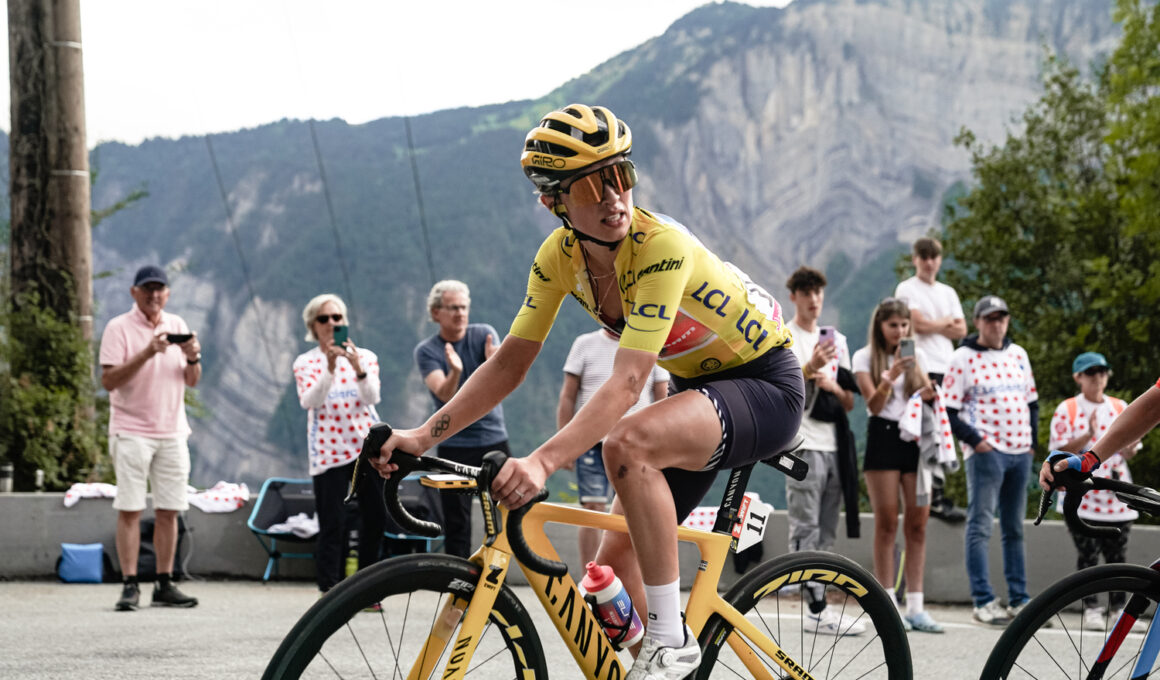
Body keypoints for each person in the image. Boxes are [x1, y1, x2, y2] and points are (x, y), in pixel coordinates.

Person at [372, 104, 804, 679]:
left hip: (765, 384)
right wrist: (421, 435)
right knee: (610, 586)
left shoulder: (660, 246)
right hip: (697, 392)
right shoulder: (558, 260)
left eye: (622, 175)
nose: (614, 196)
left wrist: (544, 460)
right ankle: (667, 659)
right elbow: (508, 365)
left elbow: (628, 382)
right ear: (554, 201)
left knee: (626, 443)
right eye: (594, 184)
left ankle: (672, 641)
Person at [99, 265, 201, 611]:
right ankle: (129, 585)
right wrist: (147, 352)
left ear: (167, 294)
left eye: (159, 289)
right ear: (134, 292)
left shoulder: (178, 325)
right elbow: (109, 381)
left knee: (169, 510)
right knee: (129, 508)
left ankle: (164, 582)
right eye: (147, 289)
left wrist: (192, 355)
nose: (153, 295)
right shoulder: (118, 328)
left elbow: (193, 380)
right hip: (131, 431)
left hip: (172, 431)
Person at [942, 295, 1039, 626]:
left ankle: (1019, 598)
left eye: (1001, 317)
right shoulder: (962, 358)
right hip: (987, 453)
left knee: (1014, 527)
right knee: (980, 525)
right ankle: (983, 600)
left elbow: (1032, 402)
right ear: (978, 322)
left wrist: (1032, 445)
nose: (996, 323)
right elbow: (948, 411)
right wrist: (977, 442)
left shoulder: (1019, 354)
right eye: (989, 318)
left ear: (1007, 321)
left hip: (1020, 452)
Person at [852, 298, 943, 633]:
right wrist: (889, 377)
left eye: (904, 325)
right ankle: (887, 604)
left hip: (915, 439)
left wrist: (926, 386)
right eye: (893, 325)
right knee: (887, 522)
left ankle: (917, 606)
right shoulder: (863, 357)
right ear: (880, 326)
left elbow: (927, 397)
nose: (900, 331)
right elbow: (874, 406)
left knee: (918, 522)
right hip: (883, 437)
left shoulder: (917, 356)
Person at [783, 266, 866, 635]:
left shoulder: (838, 341)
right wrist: (808, 367)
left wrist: (831, 383)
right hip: (802, 444)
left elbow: (849, 402)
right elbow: (782, 396)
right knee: (806, 525)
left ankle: (820, 608)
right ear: (794, 297)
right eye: (806, 292)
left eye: (818, 292)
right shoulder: (784, 336)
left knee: (828, 529)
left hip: (835, 445)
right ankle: (814, 608)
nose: (814, 299)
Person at [292, 293, 386, 595]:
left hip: (365, 448)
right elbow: (310, 401)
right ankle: (330, 591)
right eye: (324, 319)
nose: (331, 324)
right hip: (327, 450)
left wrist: (356, 366)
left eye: (337, 318)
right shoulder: (306, 362)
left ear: (345, 322)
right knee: (333, 522)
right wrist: (330, 369)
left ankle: (369, 589)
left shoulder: (366, 356)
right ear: (313, 326)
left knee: (375, 517)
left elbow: (372, 397)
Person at [414, 279, 510, 559]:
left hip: (493, 439)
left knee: (502, 513)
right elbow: (443, 395)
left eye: (464, 307)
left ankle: (495, 584)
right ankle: (457, 585)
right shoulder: (428, 351)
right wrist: (455, 371)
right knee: (457, 521)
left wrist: (495, 367)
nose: (460, 313)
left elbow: (503, 384)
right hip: (453, 442)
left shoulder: (484, 335)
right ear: (435, 313)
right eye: (453, 308)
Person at [558, 329, 669, 565]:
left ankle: (631, 576)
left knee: (635, 511)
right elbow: (568, 396)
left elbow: (663, 399)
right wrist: (563, 445)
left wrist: (663, 446)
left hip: (637, 446)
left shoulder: (652, 344)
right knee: (592, 508)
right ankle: (590, 577)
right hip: (591, 442)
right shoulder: (584, 342)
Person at [1047, 352, 1140, 630]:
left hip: (1116, 496)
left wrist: (1132, 446)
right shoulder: (1068, 408)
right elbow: (1058, 451)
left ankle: (1119, 609)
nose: (1097, 378)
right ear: (1078, 377)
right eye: (1091, 373)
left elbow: (1129, 450)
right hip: (1082, 497)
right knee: (1088, 556)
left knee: (1117, 557)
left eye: (1102, 372)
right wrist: (1087, 436)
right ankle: (1091, 608)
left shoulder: (1119, 405)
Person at [894, 237, 967, 522]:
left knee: (942, 431)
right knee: (923, 430)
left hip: (948, 368)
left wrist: (932, 324)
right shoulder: (906, 288)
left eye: (933, 256)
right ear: (915, 259)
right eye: (923, 256)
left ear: (939, 259)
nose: (928, 261)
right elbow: (915, 324)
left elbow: (960, 329)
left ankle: (936, 492)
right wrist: (943, 323)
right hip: (921, 366)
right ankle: (928, 497)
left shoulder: (947, 292)